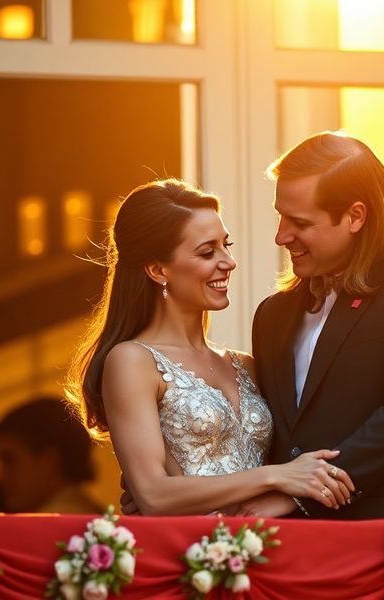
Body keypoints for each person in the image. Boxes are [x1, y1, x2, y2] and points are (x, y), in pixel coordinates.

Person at [65, 179, 355, 515]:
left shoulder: (245, 365)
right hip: (189, 555)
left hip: (269, 549)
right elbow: (153, 495)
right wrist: (276, 477)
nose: (228, 262)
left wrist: (287, 492)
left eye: (225, 245)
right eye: (207, 252)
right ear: (158, 269)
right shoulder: (132, 361)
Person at [240, 131, 384, 519]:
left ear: (355, 216)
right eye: (280, 215)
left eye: (299, 221)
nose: (281, 236)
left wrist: (301, 494)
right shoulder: (272, 314)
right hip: (283, 549)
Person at [0, 396, 104, 514]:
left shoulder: (46, 524)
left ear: (49, 461)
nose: (1, 476)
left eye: (9, 460)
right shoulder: (93, 517)